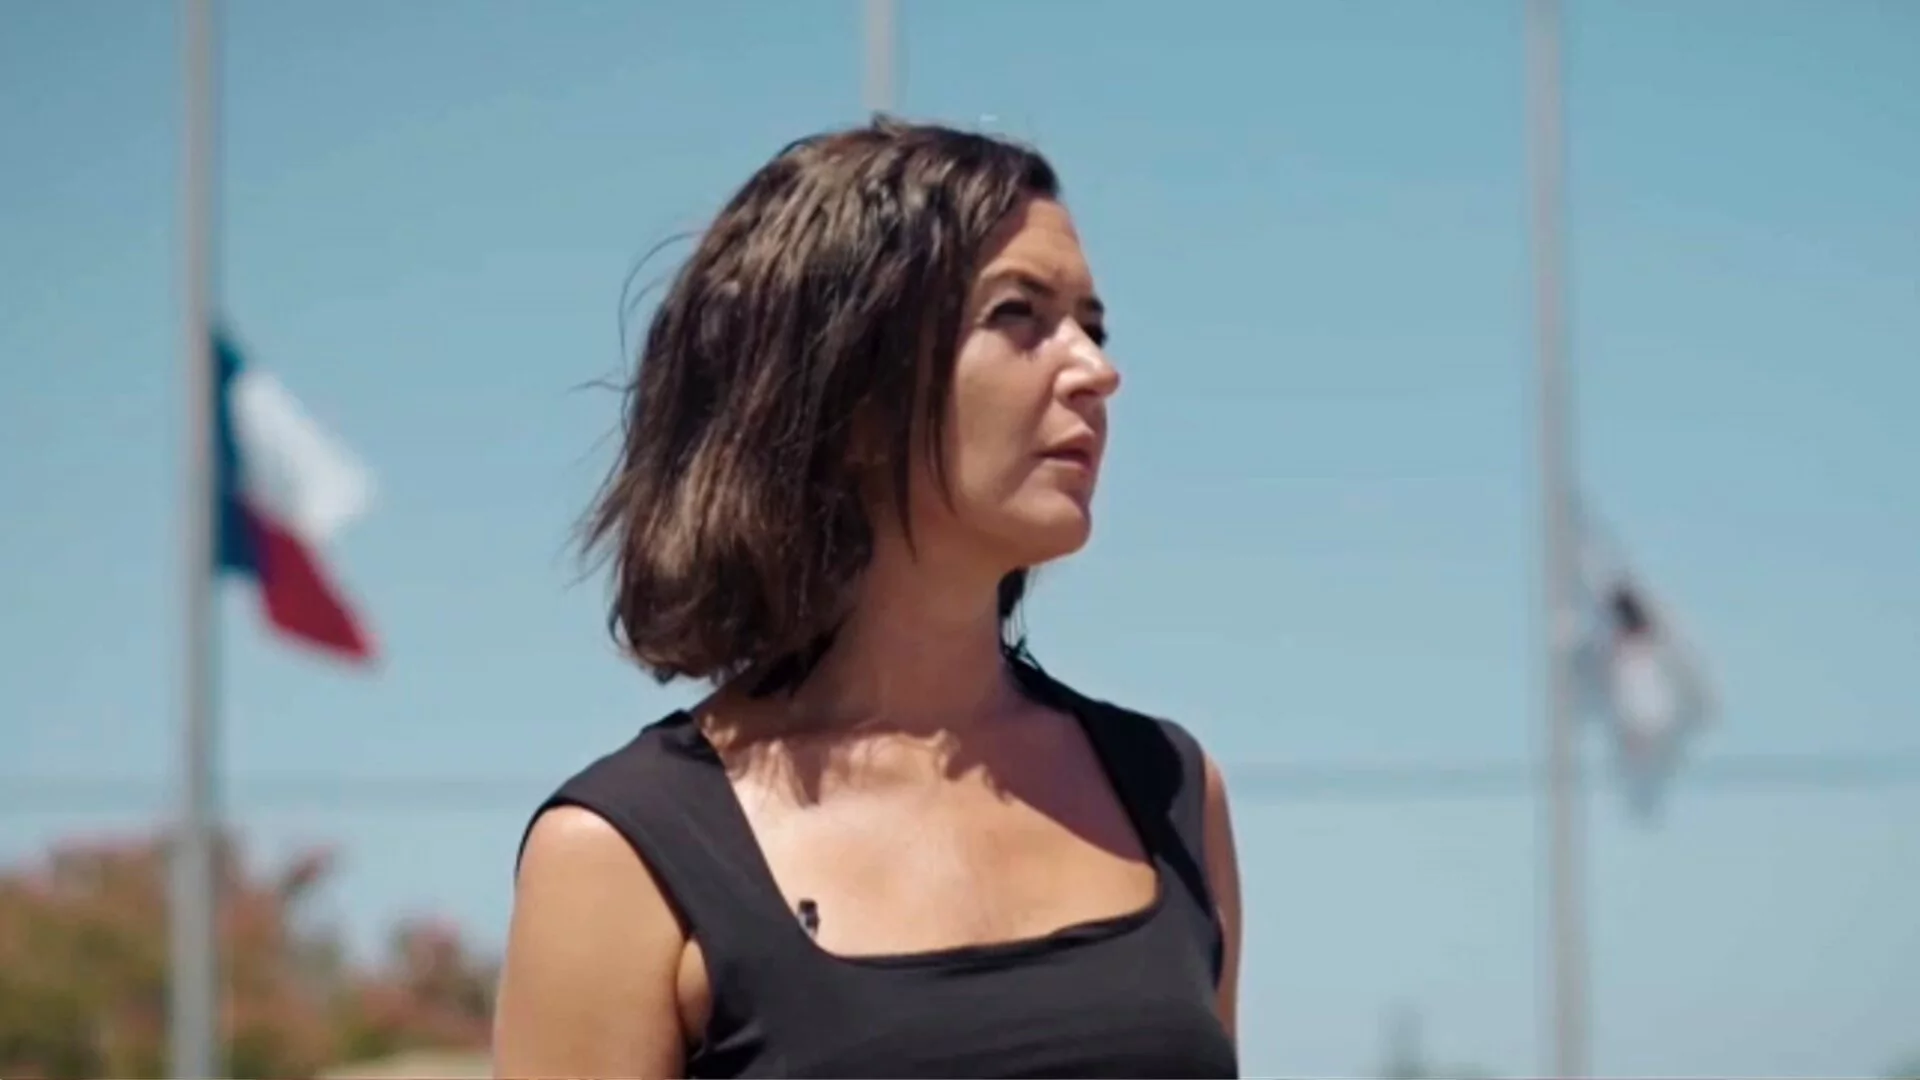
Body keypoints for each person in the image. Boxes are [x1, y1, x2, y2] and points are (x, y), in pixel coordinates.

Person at [492, 117, 1244, 1079]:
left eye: (1091, 327)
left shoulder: (1172, 791)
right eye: (1020, 314)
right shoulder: (621, 854)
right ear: (850, 389)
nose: (1096, 371)